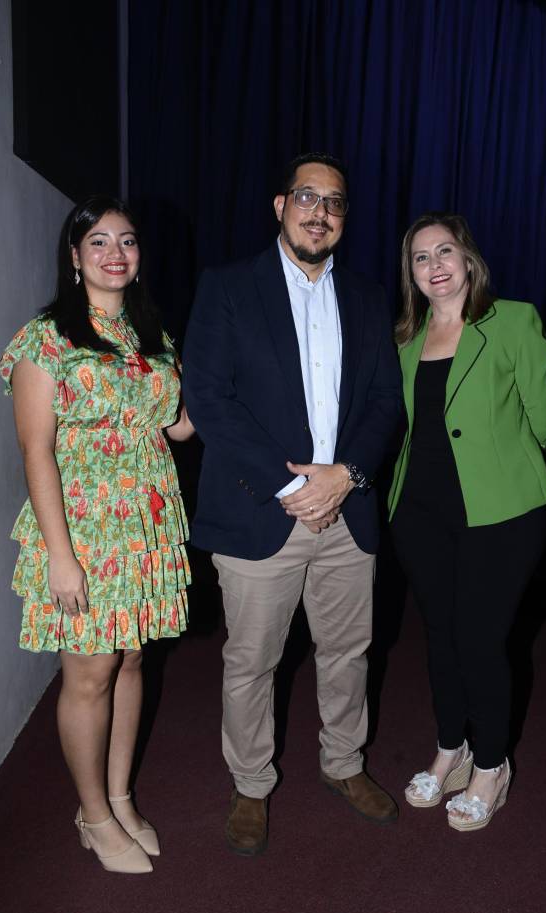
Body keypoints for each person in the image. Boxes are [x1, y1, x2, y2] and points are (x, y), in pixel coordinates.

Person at [182, 153, 403, 856]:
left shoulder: (369, 299)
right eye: (307, 197)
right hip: (258, 512)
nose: (320, 212)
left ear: (343, 218)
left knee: (348, 652)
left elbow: (383, 405)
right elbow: (211, 401)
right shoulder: (226, 289)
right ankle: (251, 784)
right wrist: (293, 488)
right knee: (251, 661)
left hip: (347, 512)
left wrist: (346, 474)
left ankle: (343, 764)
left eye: (334, 203)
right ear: (279, 205)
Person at [0, 195, 194, 873]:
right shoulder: (45, 337)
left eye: (128, 241)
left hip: (147, 518)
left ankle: (119, 794)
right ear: (75, 258)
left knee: (131, 659)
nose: (116, 253)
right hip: (82, 525)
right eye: (100, 242)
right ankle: (91, 815)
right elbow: (35, 451)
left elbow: (176, 427)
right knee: (90, 673)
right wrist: (60, 555)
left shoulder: (152, 335)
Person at [388, 212, 546, 831]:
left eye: (445, 252)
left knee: (481, 639)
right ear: (410, 272)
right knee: (440, 635)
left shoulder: (513, 320)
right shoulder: (406, 338)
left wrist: (502, 453)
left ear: (468, 260)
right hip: (421, 512)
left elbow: (545, 422)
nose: (434, 265)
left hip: (500, 512)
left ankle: (491, 763)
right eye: (419, 257)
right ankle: (449, 747)